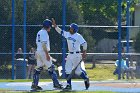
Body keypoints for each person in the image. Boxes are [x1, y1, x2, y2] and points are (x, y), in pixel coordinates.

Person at [52, 18, 90, 90]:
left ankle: (86, 78)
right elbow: (60, 31)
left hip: (77, 54)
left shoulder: (78, 36)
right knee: (67, 70)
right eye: (70, 28)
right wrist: (55, 26)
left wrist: (84, 52)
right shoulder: (67, 34)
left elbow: (84, 44)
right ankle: (69, 85)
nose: (70, 29)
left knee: (78, 72)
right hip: (70, 54)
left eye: (71, 28)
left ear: (75, 29)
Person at [31, 19, 63, 90]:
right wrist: (47, 54)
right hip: (43, 52)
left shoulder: (39, 32)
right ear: (48, 26)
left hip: (38, 51)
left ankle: (34, 84)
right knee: (51, 67)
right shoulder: (44, 33)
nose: (50, 28)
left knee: (39, 68)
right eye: (50, 26)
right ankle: (56, 84)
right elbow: (44, 44)